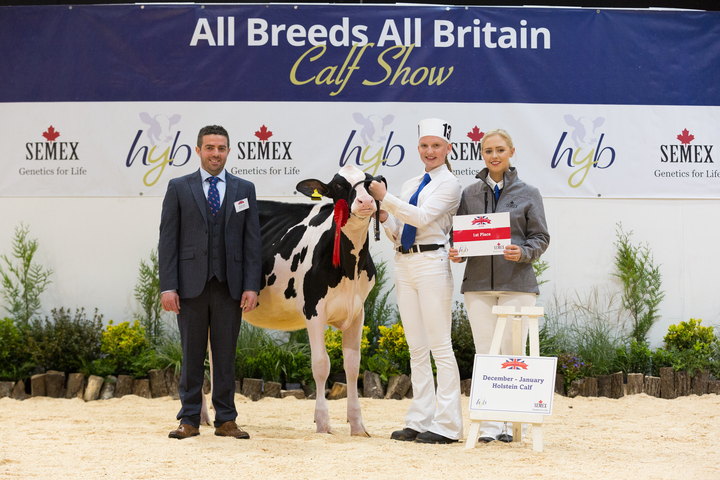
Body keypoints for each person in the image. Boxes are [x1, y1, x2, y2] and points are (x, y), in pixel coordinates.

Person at [159, 125, 262, 440]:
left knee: (225, 355)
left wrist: (251, 285)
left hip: (229, 287)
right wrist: (168, 286)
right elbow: (168, 241)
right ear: (198, 151)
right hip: (189, 287)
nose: (215, 153)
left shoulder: (244, 189)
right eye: (209, 148)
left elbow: (252, 242)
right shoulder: (179, 187)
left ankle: (226, 420)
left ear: (229, 151)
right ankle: (189, 419)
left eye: (221, 148)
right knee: (191, 355)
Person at [449, 128, 550, 443]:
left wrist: (523, 252)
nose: (494, 156)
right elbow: (460, 235)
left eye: (500, 150)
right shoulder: (469, 193)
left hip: (517, 284)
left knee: (513, 354)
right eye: (488, 150)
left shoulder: (528, 192)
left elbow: (541, 237)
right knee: (486, 354)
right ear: (482, 154)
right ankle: (490, 426)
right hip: (477, 286)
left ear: (511, 152)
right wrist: (456, 250)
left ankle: (511, 425)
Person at [368, 118, 463, 445]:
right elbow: (400, 226)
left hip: (432, 263)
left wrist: (387, 197)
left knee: (440, 346)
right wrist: (384, 215)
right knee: (417, 347)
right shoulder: (411, 184)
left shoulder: (450, 184)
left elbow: (422, 218)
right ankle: (420, 417)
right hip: (404, 261)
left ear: (448, 149)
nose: (430, 151)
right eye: (425, 145)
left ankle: (448, 425)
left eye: (436, 146)